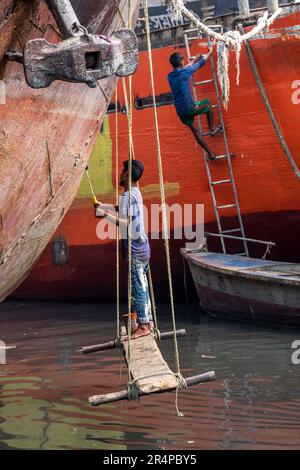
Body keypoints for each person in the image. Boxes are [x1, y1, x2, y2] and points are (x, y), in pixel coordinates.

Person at [95, 160, 153, 340]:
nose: (120, 174)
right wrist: (103, 208)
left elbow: (127, 223)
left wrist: (104, 216)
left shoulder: (127, 196)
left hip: (135, 249)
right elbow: (124, 211)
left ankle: (143, 326)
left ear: (127, 174)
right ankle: (147, 321)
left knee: (138, 287)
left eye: (122, 171)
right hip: (143, 247)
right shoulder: (135, 192)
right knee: (142, 285)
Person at [168, 46, 222, 161]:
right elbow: (202, 62)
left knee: (196, 131)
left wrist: (194, 59)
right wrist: (210, 52)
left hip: (181, 112)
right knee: (207, 103)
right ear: (181, 62)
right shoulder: (186, 72)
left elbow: (186, 67)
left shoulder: (170, 76)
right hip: (190, 108)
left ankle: (210, 153)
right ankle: (212, 128)